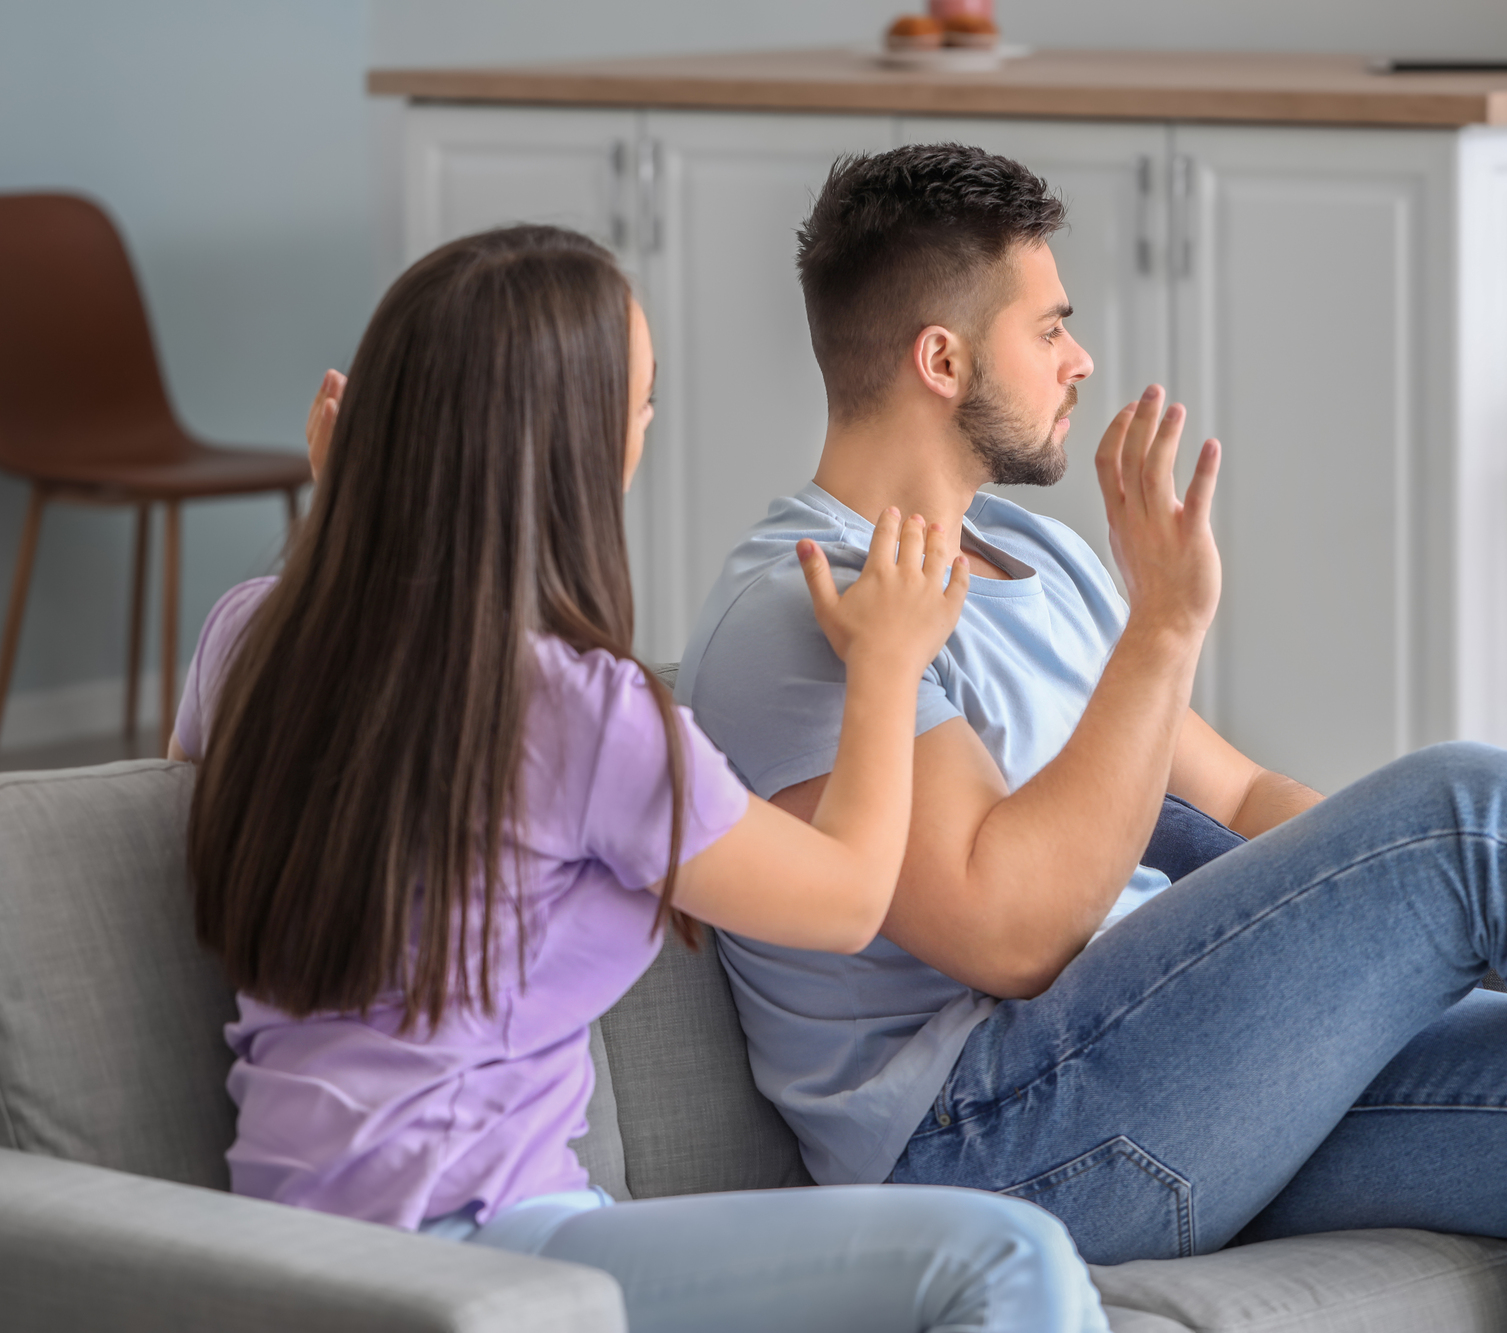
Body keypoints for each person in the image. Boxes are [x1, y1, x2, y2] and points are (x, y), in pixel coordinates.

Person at [675, 143, 1507, 1331]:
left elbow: (1238, 794)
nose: (1080, 358)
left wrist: (1398, 937)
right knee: (1478, 810)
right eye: (1047, 328)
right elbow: (1009, 931)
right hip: (985, 1144)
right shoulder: (807, 610)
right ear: (940, 359)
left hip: (1159, 1072)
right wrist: (1164, 629)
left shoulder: (1035, 554)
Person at [170, 224, 1109, 1333]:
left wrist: (344, 514)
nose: (645, 430)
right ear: (574, 448)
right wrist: (887, 666)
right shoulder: (574, 712)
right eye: (642, 405)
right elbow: (851, 898)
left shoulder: (250, 637)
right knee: (1002, 1257)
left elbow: (320, 757)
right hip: (483, 1251)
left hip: (284, 1244)